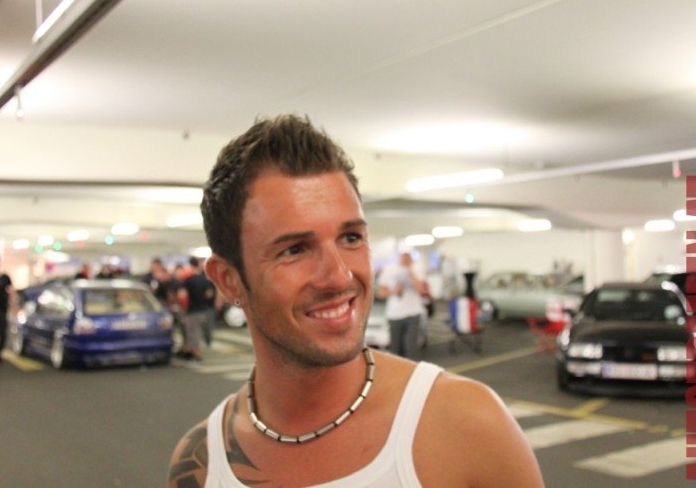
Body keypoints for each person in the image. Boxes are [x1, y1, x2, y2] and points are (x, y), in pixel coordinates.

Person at [168, 115, 543, 487]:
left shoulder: (467, 425)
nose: (340, 276)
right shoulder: (202, 462)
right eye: (294, 249)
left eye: (350, 238)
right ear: (228, 280)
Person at [377, 251, 427, 360]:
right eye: (404, 255)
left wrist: (410, 272)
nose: (406, 258)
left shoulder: (417, 269)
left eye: (408, 256)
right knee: (395, 349)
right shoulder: (389, 270)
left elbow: (421, 290)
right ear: (399, 256)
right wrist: (394, 291)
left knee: (411, 349)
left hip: (413, 313)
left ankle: (412, 370)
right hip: (395, 314)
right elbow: (381, 293)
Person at [176, 257, 217, 361]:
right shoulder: (204, 279)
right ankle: (191, 351)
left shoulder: (188, 280)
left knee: (192, 333)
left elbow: (182, 295)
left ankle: (197, 354)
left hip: (192, 310)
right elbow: (209, 293)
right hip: (203, 310)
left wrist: (184, 308)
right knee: (199, 331)